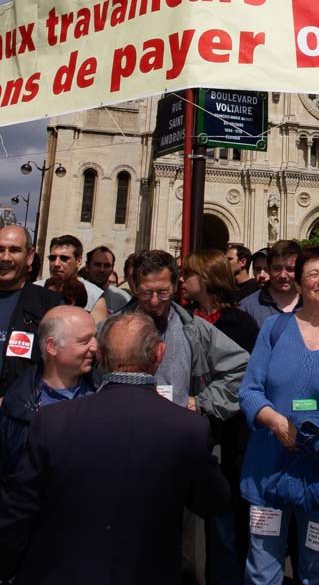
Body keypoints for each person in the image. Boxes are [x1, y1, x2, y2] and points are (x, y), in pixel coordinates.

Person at [0, 312, 230, 585]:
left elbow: (18, 509)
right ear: (160, 354)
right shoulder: (187, 428)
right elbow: (214, 500)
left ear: (102, 356)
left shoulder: (53, 421)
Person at [239, 246, 319, 585]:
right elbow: (249, 391)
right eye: (313, 274)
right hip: (270, 467)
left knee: (317, 569)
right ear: (299, 283)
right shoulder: (274, 329)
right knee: (262, 567)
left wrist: (311, 431)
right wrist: (277, 421)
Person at [183, 248, 260, 585]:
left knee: (224, 527)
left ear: (207, 279)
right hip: (190, 437)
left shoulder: (239, 323)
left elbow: (245, 379)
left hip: (228, 440)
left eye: (189, 274)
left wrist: (200, 401)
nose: (183, 280)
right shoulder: (183, 318)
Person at [117, 249, 248, 418]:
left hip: (178, 431)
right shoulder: (110, 330)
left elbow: (240, 368)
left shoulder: (195, 330)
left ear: (174, 287)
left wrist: (202, 402)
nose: (155, 300)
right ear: (134, 288)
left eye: (162, 292)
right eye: (147, 292)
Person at [0, 306, 96, 478]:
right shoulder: (16, 407)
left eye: (95, 338)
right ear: (52, 346)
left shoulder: (104, 391)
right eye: (84, 341)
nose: (95, 347)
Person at [0, 225, 62, 398]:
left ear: (29, 257)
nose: (5, 258)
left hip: (22, 415)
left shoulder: (48, 305)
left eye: (14, 250)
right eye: (0, 250)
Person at [37, 235, 107, 324]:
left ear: (78, 261)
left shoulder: (94, 297)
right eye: (53, 258)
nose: (56, 264)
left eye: (64, 258)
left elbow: (95, 335)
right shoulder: (35, 288)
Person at [240, 241, 301, 327]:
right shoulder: (246, 308)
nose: (283, 275)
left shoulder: (312, 305)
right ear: (268, 269)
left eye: (290, 269)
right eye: (277, 269)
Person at [85, 245, 130, 311]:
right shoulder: (74, 293)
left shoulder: (123, 298)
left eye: (107, 266)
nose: (102, 270)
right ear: (87, 266)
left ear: (112, 269)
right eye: (97, 265)